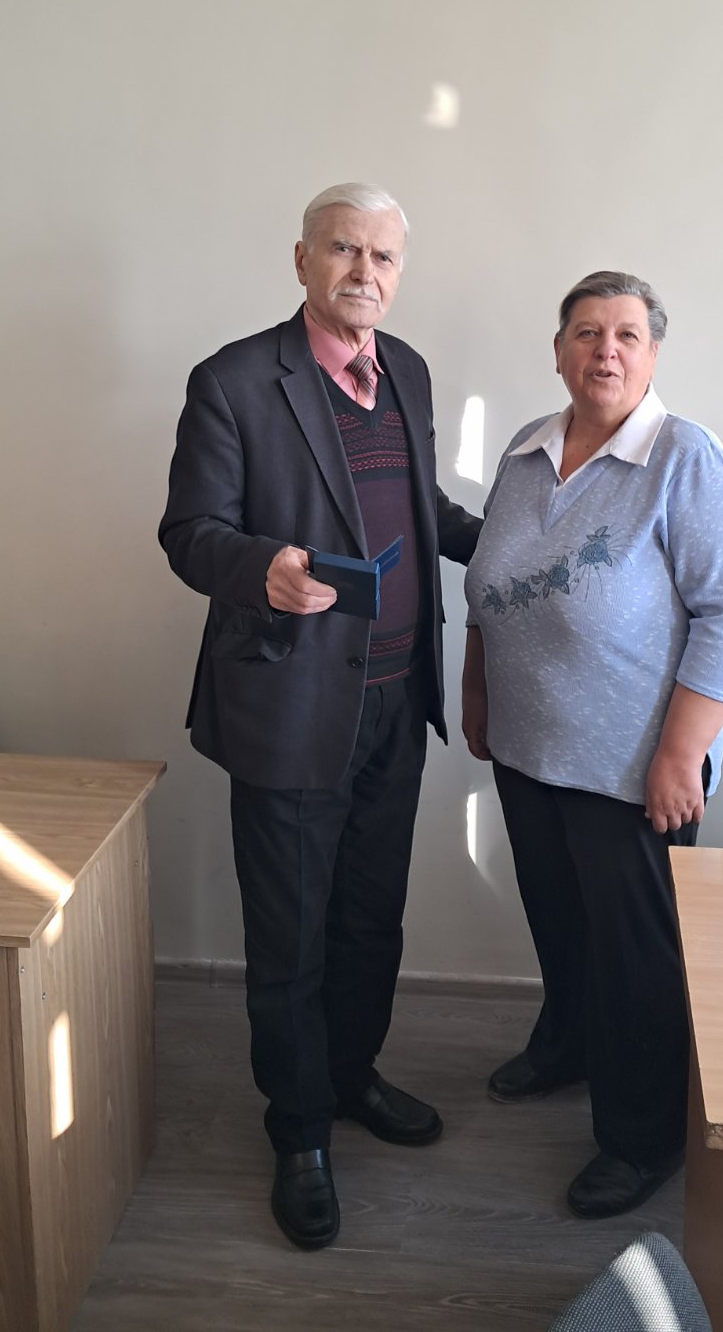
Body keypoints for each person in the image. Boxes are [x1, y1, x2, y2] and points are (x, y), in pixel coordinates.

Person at [159, 183, 480, 1250]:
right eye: (345, 249)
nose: (364, 273)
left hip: (397, 698)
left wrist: (518, 544)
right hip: (291, 705)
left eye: (383, 257)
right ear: (302, 259)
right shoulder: (234, 381)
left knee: (371, 917)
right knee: (290, 936)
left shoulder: (410, 372)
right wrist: (264, 567)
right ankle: (297, 1131)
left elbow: (423, 511)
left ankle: (351, 1076)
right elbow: (189, 532)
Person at [461, 270, 723, 1219]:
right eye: (587, 332)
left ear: (652, 353)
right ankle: (569, 1046)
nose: (606, 350)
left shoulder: (685, 459)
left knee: (636, 955)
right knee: (560, 921)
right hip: (529, 748)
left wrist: (679, 756)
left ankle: (643, 1138)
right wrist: (477, 689)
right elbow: (490, 587)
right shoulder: (526, 448)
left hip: (631, 766)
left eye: (627, 334)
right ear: (559, 351)